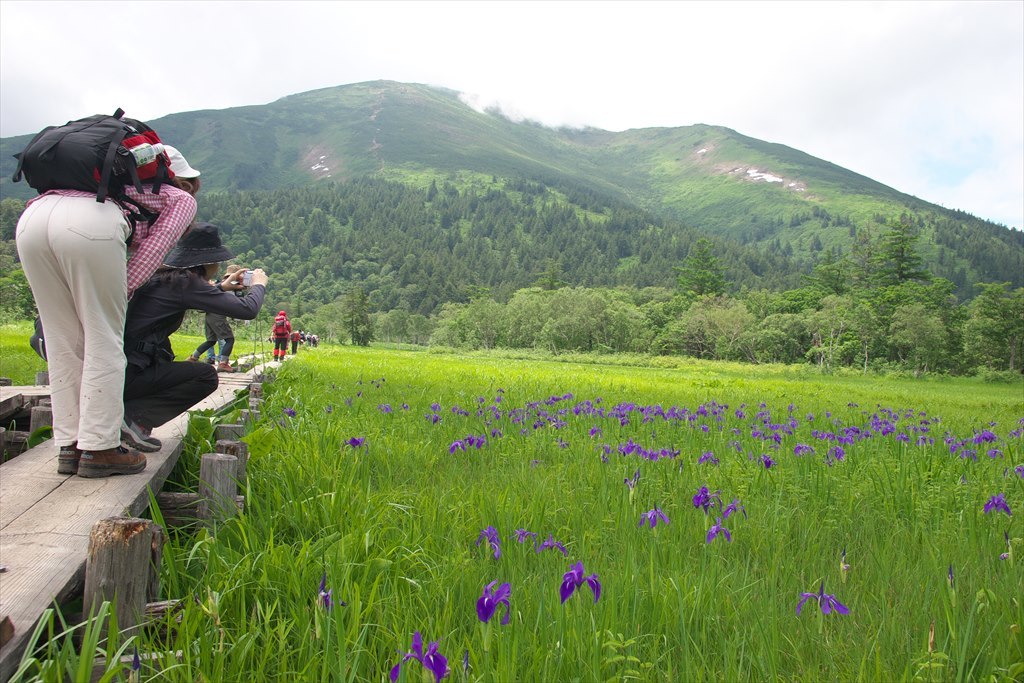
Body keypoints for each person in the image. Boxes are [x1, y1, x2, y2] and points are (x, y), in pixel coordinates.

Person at [16, 141, 199, 478]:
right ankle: (100, 448)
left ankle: (70, 445)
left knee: (62, 342)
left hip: (32, 220)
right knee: (104, 340)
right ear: (173, 175)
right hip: (91, 225)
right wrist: (119, 292)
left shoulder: (101, 180)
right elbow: (152, 255)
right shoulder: (178, 198)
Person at [119, 223, 268, 453]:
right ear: (209, 262)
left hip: (118, 371)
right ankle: (134, 419)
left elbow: (190, 296)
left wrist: (221, 287)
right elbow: (248, 309)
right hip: (131, 375)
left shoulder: (165, 277)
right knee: (206, 376)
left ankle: (127, 416)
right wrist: (259, 285)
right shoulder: (186, 283)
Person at [188, 264, 242, 372]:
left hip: (209, 315)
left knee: (211, 341)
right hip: (218, 315)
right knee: (229, 339)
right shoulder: (232, 284)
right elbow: (236, 301)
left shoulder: (220, 283)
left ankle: (193, 358)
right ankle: (223, 363)